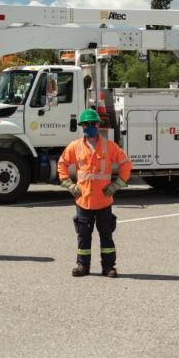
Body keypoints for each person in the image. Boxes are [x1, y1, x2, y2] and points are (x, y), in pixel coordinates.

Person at [58, 108, 132, 278]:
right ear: (82, 127)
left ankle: (108, 268)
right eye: (85, 125)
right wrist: (69, 185)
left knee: (106, 236)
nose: (89, 127)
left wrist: (117, 185)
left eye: (92, 124)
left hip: (103, 200)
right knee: (83, 236)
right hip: (83, 200)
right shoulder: (75, 147)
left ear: (98, 125)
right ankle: (83, 266)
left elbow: (126, 164)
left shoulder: (109, 146)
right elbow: (62, 164)